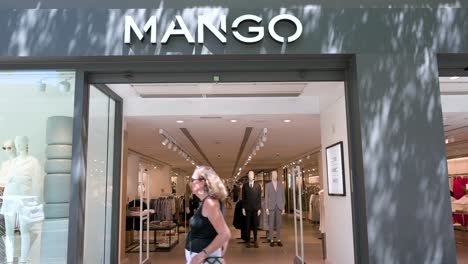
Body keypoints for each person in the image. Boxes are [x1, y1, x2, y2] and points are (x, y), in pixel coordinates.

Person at [185, 166, 231, 264]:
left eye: (192, 180)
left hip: (201, 258)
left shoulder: (210, 203)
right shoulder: (207, 202)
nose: (190, 183)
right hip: (201, 256)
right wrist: (220, 255)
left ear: (202, 182)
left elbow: (225, 233)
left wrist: (201, 256)